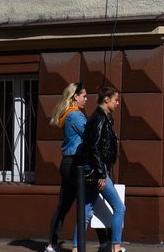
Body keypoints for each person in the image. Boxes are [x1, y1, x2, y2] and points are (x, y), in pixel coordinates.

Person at [79, 84, 126, 252]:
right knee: (120, 208)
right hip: (98, 171)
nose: (118, 103)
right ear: (106, 99)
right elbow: (95, 148)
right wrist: (101, 173)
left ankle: (77, 249)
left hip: (92, 170)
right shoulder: (100, 119)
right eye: (116, 100)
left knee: (85, 212)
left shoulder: (101, 117)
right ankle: (116, 247)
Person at [45, 82, 88, 252]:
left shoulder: (71, 114)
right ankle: (102, 244)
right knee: (86, 202)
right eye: (84, 95)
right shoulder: (75, 115)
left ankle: (52, 244)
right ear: (75, 97)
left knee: (64, 205)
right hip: (75, 164)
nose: (86, 99)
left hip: (69, 163)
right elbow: (89, 134)